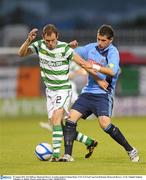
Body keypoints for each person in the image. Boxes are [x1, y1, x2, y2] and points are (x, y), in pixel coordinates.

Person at [18, 24, 108, 162]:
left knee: (55, 119)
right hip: (50, 91)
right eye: (47, 41)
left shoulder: (65, 48)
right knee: (58, 126)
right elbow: (21, 53)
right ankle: (89, 142)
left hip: (63, 89)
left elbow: (83, 64)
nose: (50, 44)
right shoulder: (39, 45)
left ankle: (55, 156)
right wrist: (28, 41)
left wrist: (99, 80)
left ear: (57, 37)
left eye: (53, 40)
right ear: (43, 38)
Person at [60, 24, 139, 162]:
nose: (100, 43)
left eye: (103, 40)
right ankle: (67, 155)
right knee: (70, 120)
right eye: (98, 39)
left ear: (110, 40)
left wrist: (93, 66)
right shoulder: (90, 48)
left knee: (105, 124)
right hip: (87, 93)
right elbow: (72, 53)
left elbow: (112, 71)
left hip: (103, 94)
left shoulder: (113, 52)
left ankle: (130, 150)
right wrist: (69, 46)